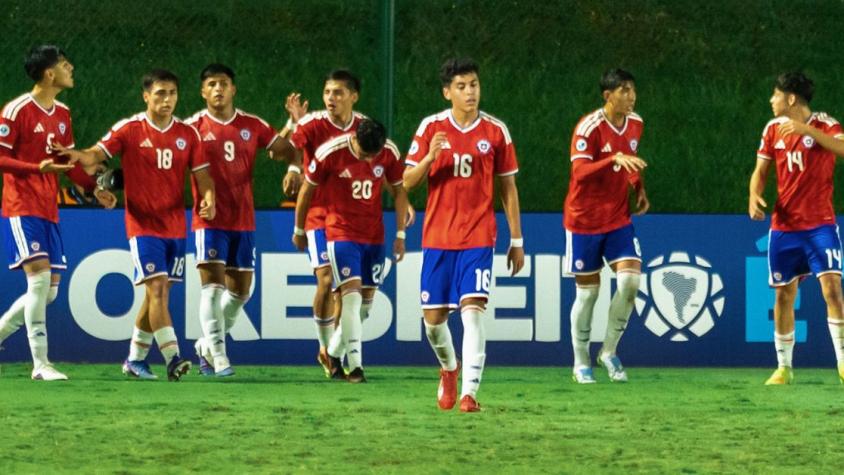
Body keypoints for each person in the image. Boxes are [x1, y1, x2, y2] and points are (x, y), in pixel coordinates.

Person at [59, 69, 215, 381]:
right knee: (156, 289)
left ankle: (134, 359)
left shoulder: (188, 135)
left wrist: (208, 197)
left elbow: (202, 176)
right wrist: (79, 155)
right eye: (159, 93)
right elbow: (96, 154)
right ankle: (173, 358)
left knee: (157, 295)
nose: (166, 99)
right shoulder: (129, 129)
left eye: (171, 93)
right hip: (142, 226)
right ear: (146, 96)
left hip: (174, 225)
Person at [403, 58, 524, 412]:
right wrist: (429, 157)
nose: (470, 92)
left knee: (473, 312)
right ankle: (449, 370)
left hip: (478, 236)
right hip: (438, 238)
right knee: (433, 323)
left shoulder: (496, 132)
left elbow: (509, 189)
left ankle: (470, 393)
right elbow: (405, 182)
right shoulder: (431, 128)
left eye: (474, 84)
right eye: (461, 86)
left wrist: (516, 241)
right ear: (447, 92)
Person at [286, 70, 415, 378]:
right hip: (328, 219)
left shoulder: (371, 133)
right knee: (329, 282)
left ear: (353, 97)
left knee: (360, 304)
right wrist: (298, 225)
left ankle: (333, 350)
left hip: (370, 231)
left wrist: (401, 219)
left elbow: (390, 179)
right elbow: (288, 151)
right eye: (328, 92)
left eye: (339, 93)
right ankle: (347, 360)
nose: (332, 98)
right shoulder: (315, 127)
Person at [0, 45, 109, 380]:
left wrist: (94, 189)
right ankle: (41, 364)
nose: (71, 68)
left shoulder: (62, 113)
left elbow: (66, 164)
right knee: (39, 281)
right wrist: (36, 167)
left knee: (49, 292)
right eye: (65, 64)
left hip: (49, 207)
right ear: (50, 73)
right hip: (22, 205)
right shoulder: (16, 110)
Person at [186, 63, 300, 377]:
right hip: (208, 219)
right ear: (202, 92)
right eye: (211, 84)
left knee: (240, 294)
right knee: (211, 289)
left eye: (223, 83)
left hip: (244, 219)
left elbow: (286, 151)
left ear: (233, 89)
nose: (218, 89)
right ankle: (220, 356)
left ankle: (205, 344)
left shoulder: (252, 124)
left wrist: (294, 168)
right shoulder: (191, 127)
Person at [749, 72, 844, 385]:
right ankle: (784, 367)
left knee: (832, 290)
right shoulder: (772, 129)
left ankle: (843, 363)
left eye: (775, 95)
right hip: (785, 227)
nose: (771, 100)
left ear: (790, 98)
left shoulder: (825, 124)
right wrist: (754, 194)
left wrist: (806, 131)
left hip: (820, 225)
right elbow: (761, 171)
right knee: (783, 295)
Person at [563, 68, 648, 385]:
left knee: (630, 282)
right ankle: (580, 360)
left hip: (617, 219)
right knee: (588, 294)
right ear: (607, 95)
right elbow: (580, 172)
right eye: (624, 90)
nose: (631, 96)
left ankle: (608, 351)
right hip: (583, 220)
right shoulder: (589, 127)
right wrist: (613, 159)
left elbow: (629, 162)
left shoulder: (636, 123)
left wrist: (637, 186)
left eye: (633, 90)